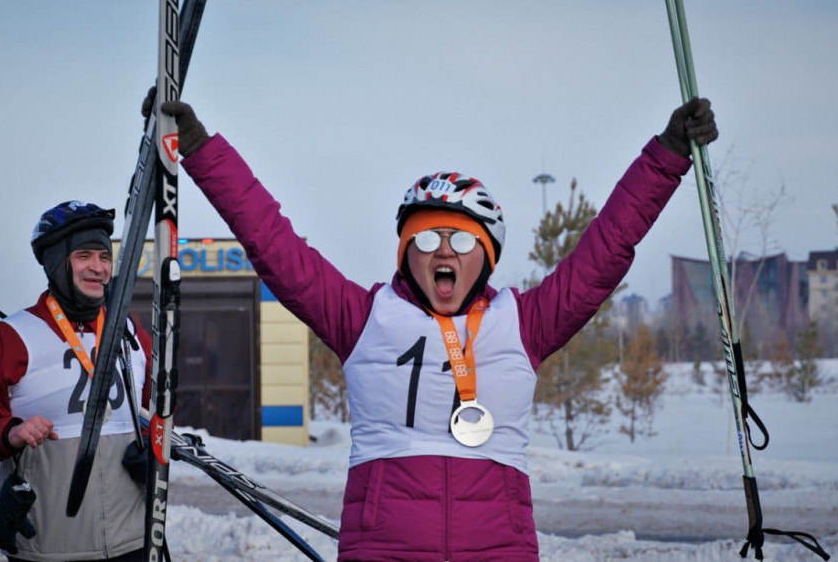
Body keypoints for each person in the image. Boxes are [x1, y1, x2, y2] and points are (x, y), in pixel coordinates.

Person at [147, 91, 717, 559]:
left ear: (487, 255)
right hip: (384, 548)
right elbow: (272, 242)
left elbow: (607, 246)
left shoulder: (524, 324)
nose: (444, 249)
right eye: (426, 238)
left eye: (462, 238)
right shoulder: (361, 317)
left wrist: (667, 154)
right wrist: (200, 151)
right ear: (405, 253)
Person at [0, 201, 153, 561]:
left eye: (104, 257)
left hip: (132, 543)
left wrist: (153, 448)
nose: (98, 267)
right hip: (49, 550)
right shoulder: (8, 340)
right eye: (83, 256)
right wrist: (9, 433)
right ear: (56, 263)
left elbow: (160, 414)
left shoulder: (133, 335)